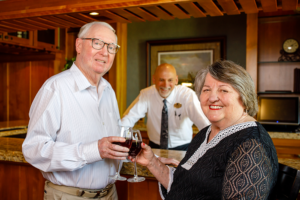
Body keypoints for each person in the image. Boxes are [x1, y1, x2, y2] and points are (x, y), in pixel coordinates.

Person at [131, 60, 279, 200]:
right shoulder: (206, 133)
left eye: (224, 90)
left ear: (244, 96)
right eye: (206, 90)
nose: (212, 97)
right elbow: (185, 185)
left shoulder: (251, 146)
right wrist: (152, 162)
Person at [22, 21, 128, 200]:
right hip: (70, 196)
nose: (105, 52)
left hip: (110, 194)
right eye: (97, 43)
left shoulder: (108, 90)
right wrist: (94, 150)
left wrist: (150, 158)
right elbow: (34, 150)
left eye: (111, 47)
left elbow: (112, 145)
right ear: (78, 45)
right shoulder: (55, 88)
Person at [122, 63, 210, 151]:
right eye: (161, 80)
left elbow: (204, 123)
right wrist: (121, 143)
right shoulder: (146, 94)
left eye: (170, 80)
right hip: (154, 147)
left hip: (183, 148)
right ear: (154, 79)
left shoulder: (187, 95)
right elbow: (127, 120)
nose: (165, 85)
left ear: (176, 80)